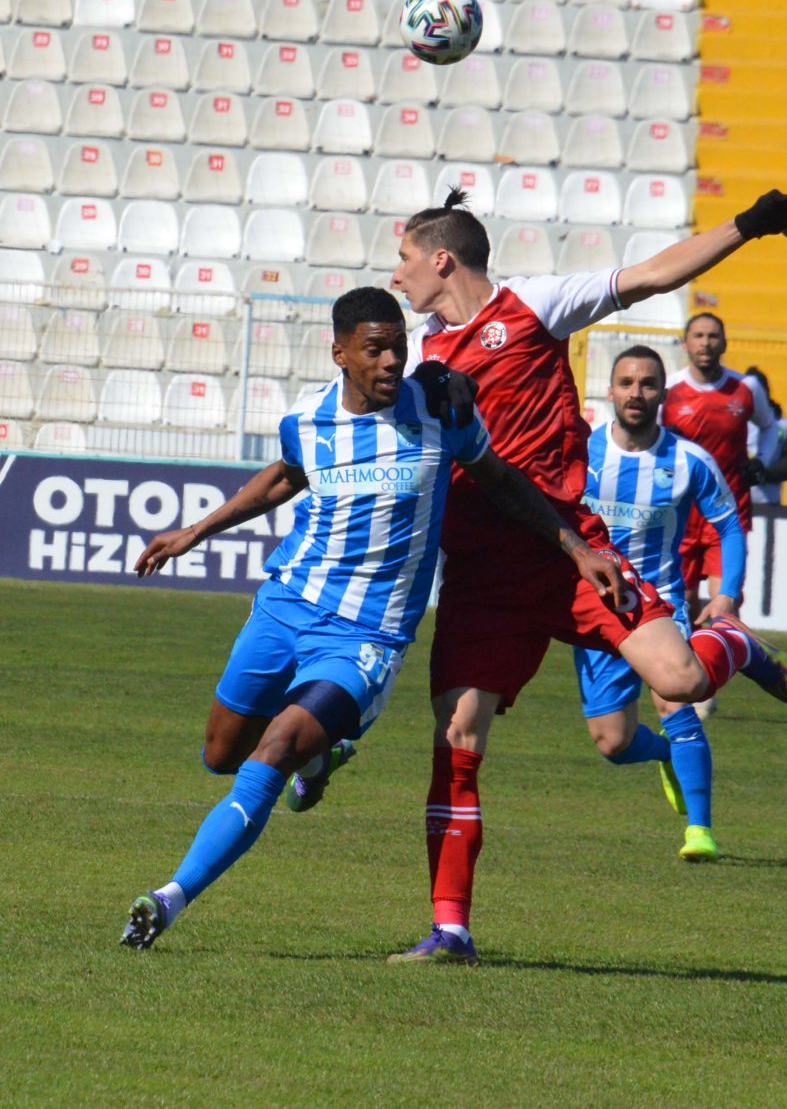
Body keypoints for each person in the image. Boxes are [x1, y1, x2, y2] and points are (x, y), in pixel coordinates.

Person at [344, 185, 787, 967]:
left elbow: (655, 275)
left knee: (684, 679)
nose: (396, 275)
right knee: (457, 735)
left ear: (442, 258)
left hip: (574, 553)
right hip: (483, 576)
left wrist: (752, 224)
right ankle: (451, 929)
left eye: (403, 259)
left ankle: (733, 641)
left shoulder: (535, 304)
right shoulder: (416, 354)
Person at [119, 287, 625, 950]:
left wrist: (577, 547)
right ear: (340, 353)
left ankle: (169, 897)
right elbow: (283, 476)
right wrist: (197, 529)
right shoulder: (309, 420)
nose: (390, 360)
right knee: (221, 754)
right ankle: (322, 757)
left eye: (398, 346)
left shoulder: (440, 412)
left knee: (274, 749)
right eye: (374, 348)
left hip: (366, 636)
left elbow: (500, 479)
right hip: (286, 604)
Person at [574, 345, 748, 864]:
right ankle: (668, 755)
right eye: (626, 382)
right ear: (610, 390)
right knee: (612, 743)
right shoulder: (581, 452)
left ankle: (701, 829)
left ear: (662, 394)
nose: (636, 392)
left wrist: (726, 593)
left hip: (662, 603)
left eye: (647, 383)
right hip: (597, 609)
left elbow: (729, 525)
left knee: (675, 700)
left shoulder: (690, 460)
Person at [663, 313, 778, 623]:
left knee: (725, 606)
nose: (706, 343)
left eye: (713, 336)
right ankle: (680, 670)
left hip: (727, 510)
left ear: (724, 343)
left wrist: (761, 462)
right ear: (685, 343)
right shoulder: (668, 389)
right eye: (698, 336)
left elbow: (769, 427)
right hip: (681, 512)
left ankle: (715, 668)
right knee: (678, 606)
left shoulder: (746, 387)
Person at [743, 365, 787, 506]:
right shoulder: (731, 421)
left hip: (768, 503)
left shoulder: (783, 426)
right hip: (733, 504)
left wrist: (765, 474)